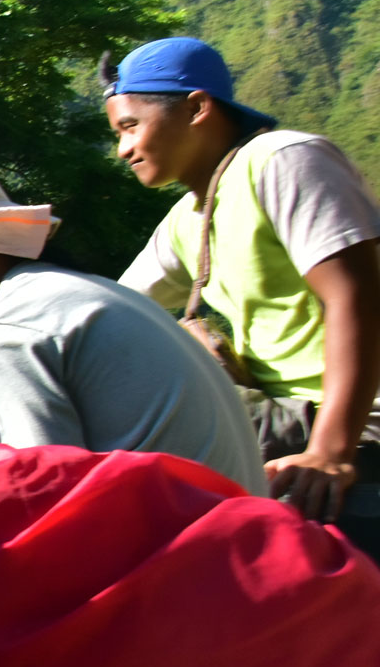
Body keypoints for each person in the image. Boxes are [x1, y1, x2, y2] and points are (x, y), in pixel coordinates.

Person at [0, 153, 266, 493]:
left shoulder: (5, 333)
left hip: (197, 573)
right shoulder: (82, 290)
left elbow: (50, 505)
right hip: (245, 550)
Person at [106, 36, 380, 524]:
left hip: (352, 421)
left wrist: (330, 452)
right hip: (282, 414)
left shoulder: (283, 160)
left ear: (196, 108)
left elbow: (356, 296)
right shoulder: (187, 218)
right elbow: (108, 313)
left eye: (131, 127)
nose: (123, 149)